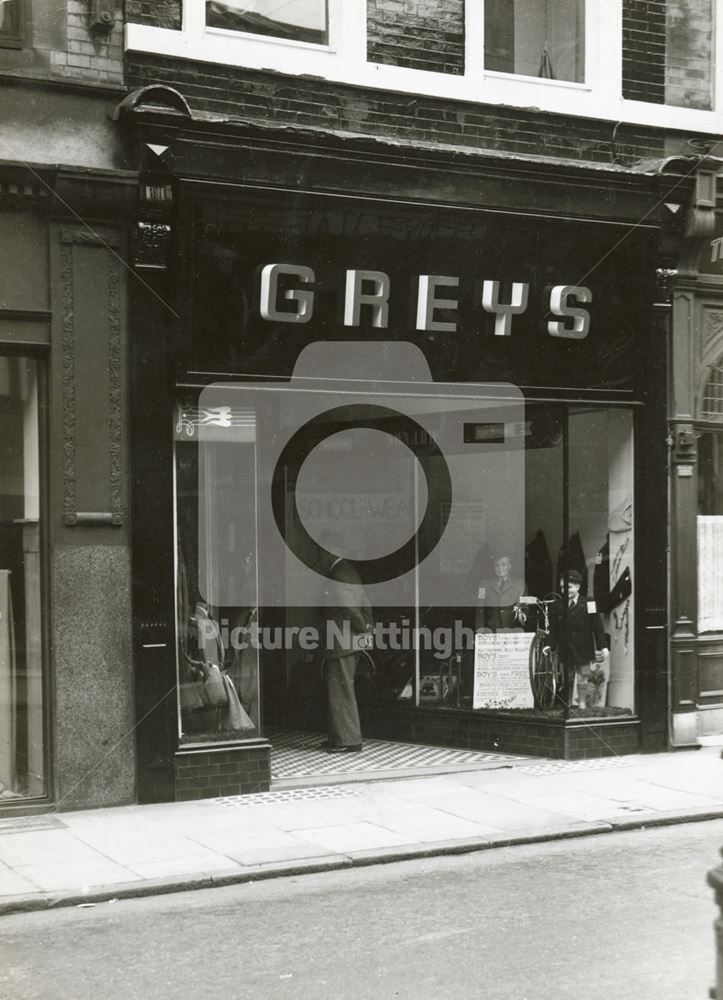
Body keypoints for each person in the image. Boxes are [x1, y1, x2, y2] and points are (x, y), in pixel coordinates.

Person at [317, 545, 374, 754]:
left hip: (342, 641)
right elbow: (364, 602)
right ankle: (338, 737)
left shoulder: (337, 573)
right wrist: (368, 627)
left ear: (329, 552)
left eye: (321, 552)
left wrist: (362, 627)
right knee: (340, 689)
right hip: (350, 640)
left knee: (340, 691)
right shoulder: (349, 571)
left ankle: (348, 740)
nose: (319, 557)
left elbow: (348, 606)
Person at [545, 569, 609, 709]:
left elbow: (597, 626)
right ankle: (567, 704)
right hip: (565, 646)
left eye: (568, 587)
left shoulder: (589, 603)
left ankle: (581, 703)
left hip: (583, 646)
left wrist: (602, 646)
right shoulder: (556, 605)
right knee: (567, 677)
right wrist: (549, 644)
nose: (565, 590)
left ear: (578, 587)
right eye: (562, 587)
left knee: (583, 675)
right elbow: (553, 629)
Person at [477, 554, 527, 631]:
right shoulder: (484, 585)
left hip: (512, 629)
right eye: (497, 565)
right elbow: (480, 609)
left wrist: (522, 619)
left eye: (503, 565)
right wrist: (479, 629)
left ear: (510, 566)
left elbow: (524, 607)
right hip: (491, 630)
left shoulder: (519, 585)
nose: (500, 568)